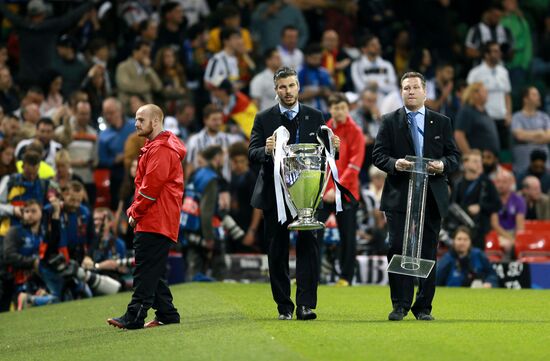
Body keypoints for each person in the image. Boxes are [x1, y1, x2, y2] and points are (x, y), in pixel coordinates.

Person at [248, 66, 340, 321]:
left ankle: (306, 305)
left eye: (291, 86)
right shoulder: (264, 118)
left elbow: (327, 155)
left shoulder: (315, 115)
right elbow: (252, 153)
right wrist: (266, 149)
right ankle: (284, 306)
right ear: (276, 90)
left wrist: (336, 148)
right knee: (277, 251)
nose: (287, 91)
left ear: (298, 87)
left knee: (309, 249)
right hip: (275, 194)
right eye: (282, 87)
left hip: (307, 195)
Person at [372, 71, 460, 321]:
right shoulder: (389, 121)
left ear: (425, 92)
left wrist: (442, 165)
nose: (410, 91)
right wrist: (395, 163)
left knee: (428, 249)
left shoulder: (441, 122)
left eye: (414, 87)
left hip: (431, 194)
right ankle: (399, 304)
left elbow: (454, 156)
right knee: (397, 247)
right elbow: (378, 155)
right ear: (401, 92)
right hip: (400, 194)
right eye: (405, 88)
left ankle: (423, 307)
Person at [108, 104, 186, 330]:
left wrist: (134, 212)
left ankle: (135, 315)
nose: (136, 123)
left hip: (155, 218)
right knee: (155, 270)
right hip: (160, 218)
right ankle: (167, 313)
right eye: (136, 119)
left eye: (141, 119)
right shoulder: (157, 146)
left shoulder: (161, 149)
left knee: (144, 269)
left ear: (155, 121)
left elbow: (150, 189)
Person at [317, 93, 365, 286]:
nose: (339, 111)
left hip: (346, 193)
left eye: (342, 107)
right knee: (313, 233)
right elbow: (321, 162)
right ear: (330, 109)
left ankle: (346, 277)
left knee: (348, 237)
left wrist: (335, 189)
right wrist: (324, 189)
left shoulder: (356, 132)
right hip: (324, 192)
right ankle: (312, 275)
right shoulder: (324, 130)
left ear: (348, 108)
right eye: (336, 108)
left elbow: (354, 166)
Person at [449, 150, 501, 249]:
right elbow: (451, 205)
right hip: (460, 228)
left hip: (479, 230)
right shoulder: (457, 182)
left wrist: (480, 207)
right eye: (475, 161)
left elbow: (497, 205)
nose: (479, 164)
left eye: (480, 161)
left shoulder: (486, 183)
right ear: (466, 163)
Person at [511, 86, 550, 174]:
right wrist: (539, 133)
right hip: (523, 166)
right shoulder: (516, 117)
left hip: (545, 167)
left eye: (538, 94)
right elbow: (519, 136)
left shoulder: (545, 117)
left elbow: (548, 136)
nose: (538, 97)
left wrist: (528, 139)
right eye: (535, 94)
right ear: (526, 99)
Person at [491, 169, 526, 259]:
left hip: (513, 232)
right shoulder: (491, 199)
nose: (501, 185)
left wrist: (517, 240)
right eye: (498, 182)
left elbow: (520, 226)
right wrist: (510, 239)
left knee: (517, 246)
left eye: (504, 182)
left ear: (511, 183)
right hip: (495, 233)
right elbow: (494, 224)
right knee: (507, 245)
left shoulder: (519, 200)